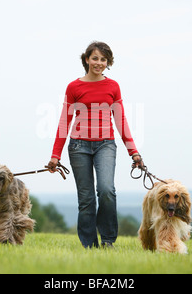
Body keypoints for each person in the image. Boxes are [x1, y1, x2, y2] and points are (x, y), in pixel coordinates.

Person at [47, 41, 143, 248]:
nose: (99, 63)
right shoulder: (74, 87)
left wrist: (133, 152)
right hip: (78, 146)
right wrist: (55, 155)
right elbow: (65, 121)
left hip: (105, 145)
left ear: (108, 62)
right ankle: (89, 245)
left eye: (103, 59)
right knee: (87, 199)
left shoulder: (113, 86)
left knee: (106, 190)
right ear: (86, 59)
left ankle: (108, 240)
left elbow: (120, 120)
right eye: (95, 58)